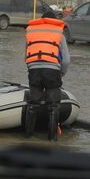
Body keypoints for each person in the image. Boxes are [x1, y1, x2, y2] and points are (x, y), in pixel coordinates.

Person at [24, 10, 70, 141]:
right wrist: (61, 73)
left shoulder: (30, 32)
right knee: (54, 105)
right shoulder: (59, 34)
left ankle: (28, 136)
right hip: (52, 71)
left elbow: (26, 56)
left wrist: (32, 69)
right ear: (54, 21)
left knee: (33, 104)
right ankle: (52, 139)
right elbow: (66, 60)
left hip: (34, 70)